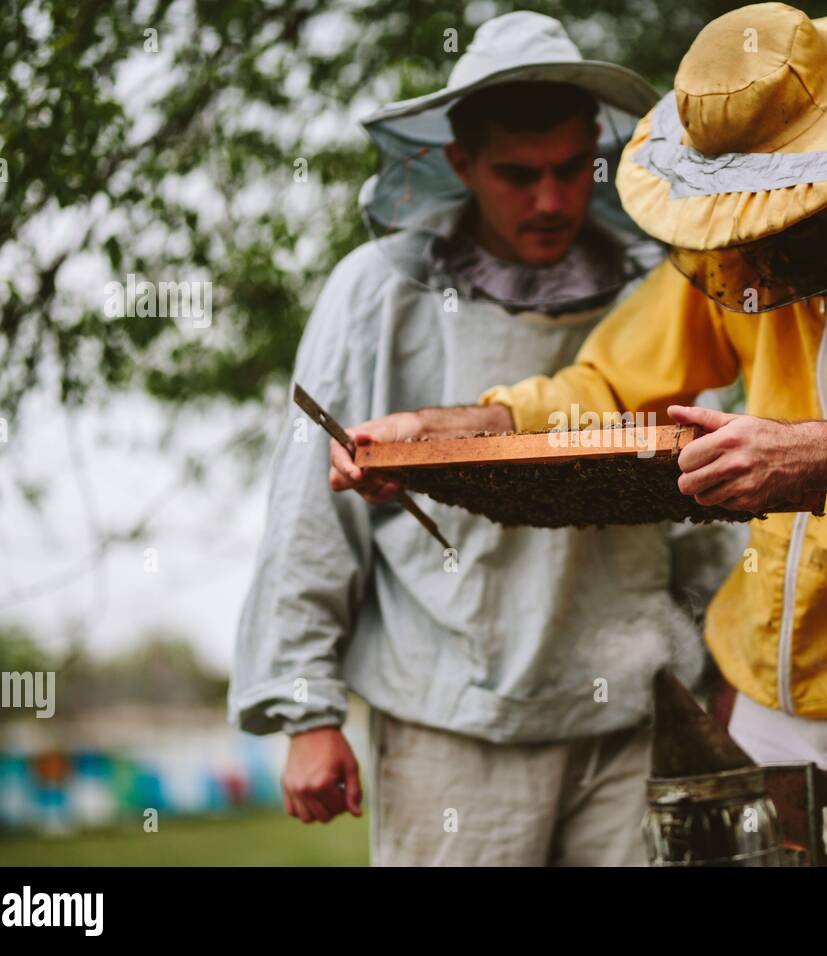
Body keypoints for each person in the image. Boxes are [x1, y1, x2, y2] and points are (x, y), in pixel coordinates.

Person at [338, 3, 827, 866]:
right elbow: (607, 383)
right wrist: (450, 428)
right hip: (769, 670)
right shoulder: (743, 243)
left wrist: (818, 452)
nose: (753, 234)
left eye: (776, 202)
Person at [229, 11, 732, 866]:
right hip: (451, 720)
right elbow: (310, 511)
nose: (550, 200)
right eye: (517, 174)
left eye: (573, 169)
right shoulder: (376, 295)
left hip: (634, 717)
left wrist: (726, 676)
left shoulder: (662, 289)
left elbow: (711, 494)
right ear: (459, 162)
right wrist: (307, 712)